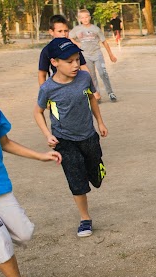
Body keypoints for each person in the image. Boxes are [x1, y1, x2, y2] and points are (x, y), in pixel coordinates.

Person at [33, 38, 108, 238]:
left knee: (95, 176)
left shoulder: (84, 78)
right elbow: (38, 112)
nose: (75, 65)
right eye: (70, 61)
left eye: (77, 59)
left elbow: (92, 97)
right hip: (63, 139)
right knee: (76, 178)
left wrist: (100, 122)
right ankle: (85, 219)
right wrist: (48, 134)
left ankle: (95, 168)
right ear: (55, 62)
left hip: (88, 135)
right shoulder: (48, 88)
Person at [0, 108, 62, 277]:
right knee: (0, 241)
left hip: (0, 186)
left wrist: (40, 156)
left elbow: (5, 143)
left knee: (24, 233)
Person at [38, 15, 94, 96]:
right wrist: (45, 95)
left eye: (66, 31)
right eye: (60, 31)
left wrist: (91, 87)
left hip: (77, 88)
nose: (64, 34)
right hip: (57, 91)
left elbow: (83, 67)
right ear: (51, 32)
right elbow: (42, 74)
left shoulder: (73, 48)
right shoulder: (47, 50)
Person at [69, 9, 118, 103]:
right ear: (79, 19)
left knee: (103, 73)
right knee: (91, 76)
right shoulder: (77, 29)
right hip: (85, 55)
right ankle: (97, 95)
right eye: (82, 17)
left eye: (86, 17)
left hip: (97, 54)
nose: (85, 19)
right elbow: (69, 37)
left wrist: (111, 55)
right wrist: (76, 43)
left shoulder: (95, 29)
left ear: (90, 17)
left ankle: (110, 92)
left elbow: (104, 42)